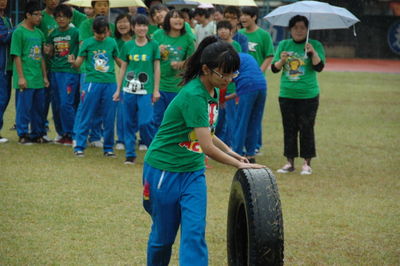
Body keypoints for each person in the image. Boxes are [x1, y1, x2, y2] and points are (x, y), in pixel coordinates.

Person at [142, 35, 265, 266]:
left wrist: (234, 153)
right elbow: (206, 147)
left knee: (194, 235)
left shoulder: (212, 90)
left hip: (193, 174)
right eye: (224, 74)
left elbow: (208, 133)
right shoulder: (193, 95)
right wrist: (238, 165)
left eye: (233, 73)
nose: (229, 79)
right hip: (164, 171)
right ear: (206, 69)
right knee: (162, 239)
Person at [271, 15, 325, 175]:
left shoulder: (314, 45)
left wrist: (312, 53)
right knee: (289, 128)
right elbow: (274, 69)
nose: (299, 31)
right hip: (287, 94)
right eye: (295, 28)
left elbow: (319, 67)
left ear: (307, 30)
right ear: (290, 30)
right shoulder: (283, 44)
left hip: (308, 95)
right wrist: (281, 60)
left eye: (302, 28)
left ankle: (307, 163)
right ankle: (289, 162)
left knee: (306, 128)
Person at [68, 16, 120, 157]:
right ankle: (79, 146)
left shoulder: (112, 42)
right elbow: (78, 64)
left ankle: (108, 148)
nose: (102, 36)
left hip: (110, 83)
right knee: (86, 114)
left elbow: (120, 61)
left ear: (108, 31)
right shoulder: (87, 43)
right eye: (99, 33)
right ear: (93, 31)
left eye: (104, 33)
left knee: (109, 117)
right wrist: (72, 62)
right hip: (91, 83)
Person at [115, 14, 160, 164]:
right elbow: (123, 68)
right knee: (128, 122)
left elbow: (157, 69)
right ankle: (130, 154)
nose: (142, 28)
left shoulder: (153, 45)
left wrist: (156, 90)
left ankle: (152, 149)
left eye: (144, 25)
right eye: (138, 26)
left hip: (146, 91)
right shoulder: (127, 46)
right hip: (128, 91)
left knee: (146, 122)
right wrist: (118, 89)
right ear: (133, 28)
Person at [10, 0, 50, 144]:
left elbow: (41, 57)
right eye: (36, 14)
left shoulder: (39, 33)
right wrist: (21, 77)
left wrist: (45, 76)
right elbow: (16, 55)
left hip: (38, 78)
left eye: (41, 15)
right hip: (25, 78)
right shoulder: (19, 32)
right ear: (27, 15)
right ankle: (22, 134)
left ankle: (37, 134)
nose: (39, 17)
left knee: (38, 109)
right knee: (24, 108)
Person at [152, 9, 195, 130]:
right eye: (175, 17)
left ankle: (174, 146)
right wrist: (157, 50)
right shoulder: (158, 35)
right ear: (167, 20)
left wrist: (182, 63)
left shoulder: (187, 37)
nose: (178, 20)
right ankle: (157, 145)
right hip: (159, 85)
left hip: (178, 86)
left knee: (176, 119)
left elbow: (193, 61)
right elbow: (149, 55)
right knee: (157, 119)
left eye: (181, 17)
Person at [45, 4, 80, 145]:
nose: (60, 19)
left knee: (67, 103)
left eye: (63, 17)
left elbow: (82, 49)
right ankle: (61, 133)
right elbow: (51, 52)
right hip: (55, 71)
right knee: (57, 103)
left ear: (69, 18)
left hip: (70, 72)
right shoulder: (53, 34)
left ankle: (72, 134)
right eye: (58, 17)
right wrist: (48, 52)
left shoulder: (76, 32)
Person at [232, 52, 267, 163]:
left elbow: (226, 79)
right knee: (255, 121)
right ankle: (251, 154)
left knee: (241, 121)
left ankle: (236, 154)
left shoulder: (229, 59)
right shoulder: (247, 56)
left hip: (247, 87)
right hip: (262, 86)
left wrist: (221, 97)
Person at [214, 20, 241, 147]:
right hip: (217, 86)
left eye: (225, 28)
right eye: (220, 28)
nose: (223, 31)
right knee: (217, 117)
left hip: (231, 86)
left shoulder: (236, 45)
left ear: (231, 31)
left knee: (231, 117)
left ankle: (231, 144)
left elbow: (238, 65)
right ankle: (216, 143)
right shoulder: (216, 45)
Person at [114, 13, 133, 151]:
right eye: (119, 22)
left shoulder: (139, 41)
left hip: (138, 82)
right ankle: (121, 139)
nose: (122, 24)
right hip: (118, 79)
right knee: (121, 113)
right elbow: (121, 64)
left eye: (125, 21)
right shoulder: (114, 41)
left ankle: (137, 138)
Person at [0, 0, 13, 143]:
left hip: (7, 67)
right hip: (0, 66)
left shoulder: (7, 18)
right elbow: (3, 37)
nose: (3, 2)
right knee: (1, 99)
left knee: (5, 98)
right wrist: (16, 29)